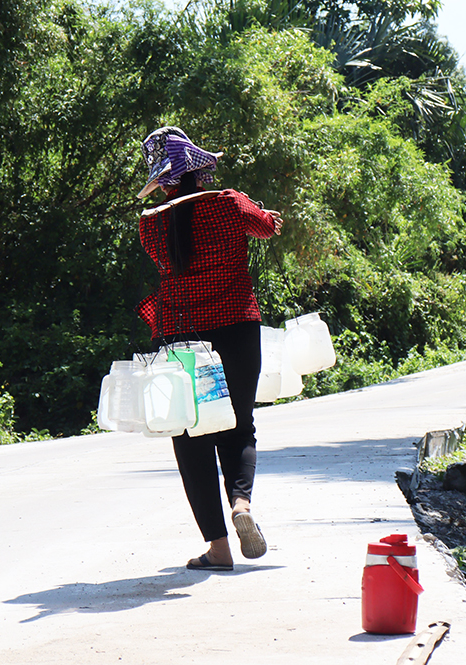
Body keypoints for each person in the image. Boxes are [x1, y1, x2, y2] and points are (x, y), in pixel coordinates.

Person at [135, 126, 283, 571]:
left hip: (181, 339)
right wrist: (267, 215)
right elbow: (266, 228)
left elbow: (172, 260)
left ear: (161, 181)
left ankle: (218, 549)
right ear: (197, 170)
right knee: (239, 426)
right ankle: (241, 506)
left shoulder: (152, 226)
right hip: (238, 328)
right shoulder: (229, 203)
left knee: (190, 436)